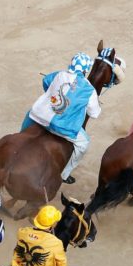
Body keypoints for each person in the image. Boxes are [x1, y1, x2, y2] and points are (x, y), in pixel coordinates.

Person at [22, 52, 101, 184]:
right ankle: (64, 174)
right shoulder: (89, 89)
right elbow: (94, 113)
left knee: (31, 112)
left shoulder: (59, 74)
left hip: (40, 116)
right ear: (86, 69)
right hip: (63, 128)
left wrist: (51, 95)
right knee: (84, 143)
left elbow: (45, 81)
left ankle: (21, 137)